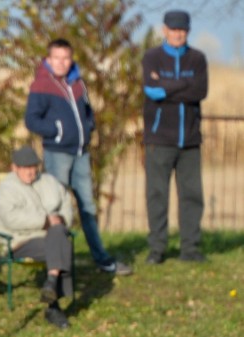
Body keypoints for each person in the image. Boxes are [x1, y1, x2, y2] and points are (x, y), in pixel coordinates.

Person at [25, 38, 133, 276]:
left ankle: (102, 259)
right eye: (57, 58)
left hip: (81, 154)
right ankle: (58, 264)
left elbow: (87, 111)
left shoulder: (77, 83)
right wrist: (57, 130)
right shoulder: (42, 85)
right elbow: (31, 119)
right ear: (49, 59)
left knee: (87, 207)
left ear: (71, 59)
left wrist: (89, 125)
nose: (62, 63)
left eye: (66, 58)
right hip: (57, 155)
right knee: (57, 208)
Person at [141, 10, 208, 264]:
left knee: (192, 196)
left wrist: (168, 87)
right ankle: (157, 249)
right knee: (157, 196)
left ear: (188, 31)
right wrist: (183, 86)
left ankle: (190, 248)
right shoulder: (152, 57)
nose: (178, 34)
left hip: (190, 140)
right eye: (173, 29)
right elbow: (151, 91)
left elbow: (200, 91)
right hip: (159, 139)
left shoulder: (198, 59)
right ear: (164, 30)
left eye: (183, 30)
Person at [0, 146, 74, 329]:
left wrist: (60, 219)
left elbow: (66, 205)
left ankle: (51, 283)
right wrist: (45, 221)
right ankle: (54, 306)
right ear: (14, 168)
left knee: (58, 236)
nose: (31, 171)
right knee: (61, 243)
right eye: (26, 167)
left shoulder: (49, 181)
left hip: (52, 236)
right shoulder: (7, 188)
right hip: (20, 240)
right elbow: (10, 218)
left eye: (34, 166)